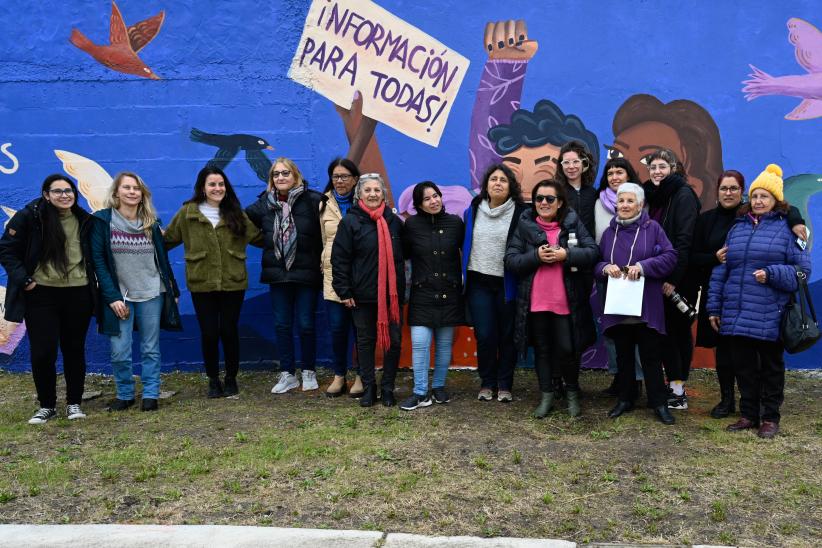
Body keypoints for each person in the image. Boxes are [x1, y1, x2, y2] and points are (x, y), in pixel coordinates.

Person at [707, 164, 811, 439]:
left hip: (770, 314)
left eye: (765, 196)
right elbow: (721, 270)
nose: (759, 201)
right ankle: (748, 414)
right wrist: (714, 308)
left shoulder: (791, 230)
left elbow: (802, 272)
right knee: (744, 368)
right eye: (755, 196)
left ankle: (770, 418)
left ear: (776, 200)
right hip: (737, 312)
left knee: (770, 369)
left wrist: (773, 274)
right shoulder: (737, 228)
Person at [0, 175, 96, 424]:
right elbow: (6, 250)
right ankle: (47, 405)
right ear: (46, 194)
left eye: (69, 190)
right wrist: (25, 281)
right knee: (43, 352)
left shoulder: (84, 219)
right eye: (58, 191)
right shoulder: (30, 217)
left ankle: (74, 403)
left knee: (74, 349)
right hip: (41, 294)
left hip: (78, 293)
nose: (64, 195)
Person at [164, 166, 261, 399]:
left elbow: (258, 238)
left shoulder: (236, 213)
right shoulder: (188, 213)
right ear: (202, 187)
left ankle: (231, 378)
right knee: (209, 333)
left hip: (233, 282)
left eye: (221, 184)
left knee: (229, 331)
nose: (217, 188)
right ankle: (213, 379)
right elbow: (166, 241)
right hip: (202, 283)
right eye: (212, 184)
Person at [505, 180, 598, 417]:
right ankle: (546, 396)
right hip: (535, 302)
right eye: (539, 199)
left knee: (568, 349)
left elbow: (593, 252)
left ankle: (572, 393)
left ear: (560, 202)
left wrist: (567, 254)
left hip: (565, 301)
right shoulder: (524, 224)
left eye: (549, 199)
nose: (544, 203)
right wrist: (535, 256)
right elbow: (511, 260)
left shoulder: (572, 222)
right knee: (543, 351)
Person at [90, 172, 181, 412]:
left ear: (142, 194)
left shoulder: (152, 223)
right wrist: (112, 297)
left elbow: (162, 259)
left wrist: (173, 287)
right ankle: (125, 393)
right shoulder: (102, 220)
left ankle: (151, 394)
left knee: (151, 348)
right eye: (127, 188)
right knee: (120, 351)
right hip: (120, 297)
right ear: (116, 192)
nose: (132, 192)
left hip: (152, 292)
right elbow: (98, 261)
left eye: (136, 188)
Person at [596, 183, 677, 425]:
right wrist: (604, 268)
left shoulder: (653, 229)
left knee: (651, 356)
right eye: (621, 201)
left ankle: (658, 402)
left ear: (640, 205)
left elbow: (670, 256)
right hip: (619, 305)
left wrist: (643, 267)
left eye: (630, 201)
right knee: (623, 356)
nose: (625, 205)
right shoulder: (609, 233)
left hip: (645, 304)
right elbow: (597, 262)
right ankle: (625, 398)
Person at [246, 158, 324, 394]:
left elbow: (328, 228)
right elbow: (240, 221)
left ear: (295, 176)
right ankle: (288, 373)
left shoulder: (313, 200)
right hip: (278, 274)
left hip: (306, 272)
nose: (280, 178)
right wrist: (267, 243)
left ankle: (308, 370)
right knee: (282, 325)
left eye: (285, 173)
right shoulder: (264, 203)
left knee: (306, 324)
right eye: (276, 174)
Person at [332, 173, 405, 407]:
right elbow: (340, 259)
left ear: (383, 193)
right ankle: (369, 388)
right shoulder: (350, 222)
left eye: (377, 190)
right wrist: (344, 291)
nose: (373, 194)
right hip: (361, 295)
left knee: (393, 342)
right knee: (365, 342)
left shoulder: (394, 222)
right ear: (359, 194)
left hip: (390, 296)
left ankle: (388, 388)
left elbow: (405, 254)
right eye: (367, 190)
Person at [462, 164, 529, 402]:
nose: (498, 183)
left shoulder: (522, 213)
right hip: (478, 281)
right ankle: (487, 382)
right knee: (485, 334)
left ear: (511, 187)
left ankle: (504, 384)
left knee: (507, 336)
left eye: (503, 180)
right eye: (493, 179)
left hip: (507, 282)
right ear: (486, 185)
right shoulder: (472, 210)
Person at [642, 148, 701, 410]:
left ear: (674, 168)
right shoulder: (651, 195)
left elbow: (684, 240)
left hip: (677, 275)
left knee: (677, 332)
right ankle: (670, 384)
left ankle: (678, 389)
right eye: (653, 167)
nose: (656, 172)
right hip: (657, 274)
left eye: (662, 167)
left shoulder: (682, 194)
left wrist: (674, 280)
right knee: (662, 332)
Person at [400, 182, 465, 411]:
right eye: (427, 199)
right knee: (420, 343)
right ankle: (420, 392)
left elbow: (464, 253)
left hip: (449, 292)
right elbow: (405, 253)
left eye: (436, 196)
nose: (434, 201)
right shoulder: (411, 225)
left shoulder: (456, 223)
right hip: (423, 293)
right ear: (418, 204)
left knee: (445, 344)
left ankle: (438, 387)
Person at [594, 158, 644, 396]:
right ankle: (618, 377)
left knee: (635, 332)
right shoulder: (597, 203)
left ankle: (636, 378)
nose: (614, 177)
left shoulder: (640, 203)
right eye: (610, 172)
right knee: (611, 330)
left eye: (619, 172)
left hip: (634, 279)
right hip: (607, 277)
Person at [320, 158, 364, 398]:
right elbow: (322, 239)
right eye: (336, 176)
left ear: (355, 178)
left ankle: (360, 375)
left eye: (345, 176)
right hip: (333, 276)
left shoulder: (366, 201)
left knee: (360, 329)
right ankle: (339, 375)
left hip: (361, 276)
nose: (340, 181)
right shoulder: (323, 204)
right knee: (337, 328)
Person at [555, 140, 597, 238]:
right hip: (562, 248)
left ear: (584, 164)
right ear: (561, 166)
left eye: (576, 161)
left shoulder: (593, 193)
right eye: (566, 162)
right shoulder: (556, 193)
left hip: (588, 247)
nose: (571, 166)